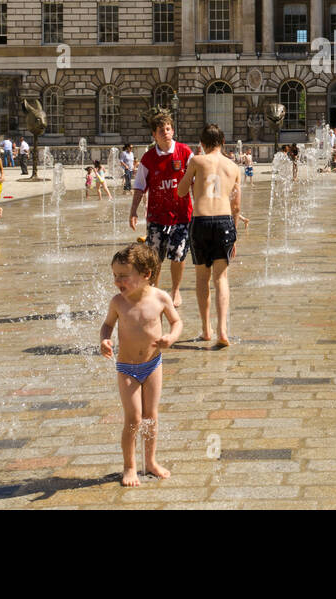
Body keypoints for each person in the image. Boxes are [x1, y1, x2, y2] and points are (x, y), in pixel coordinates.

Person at [100, 243, 182, 485]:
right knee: (133, 418)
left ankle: (151, 461)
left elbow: (176, 322)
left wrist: (171, 337)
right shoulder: (118, 302)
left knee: (150, 416)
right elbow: (107, 325)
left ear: (146, 274)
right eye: (115, 275)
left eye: (124, 276)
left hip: (153, 364)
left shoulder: (160, 298)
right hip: (127, 368)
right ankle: (129, 466)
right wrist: (104, 339)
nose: (117, 281)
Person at [176, 123, 242, 348]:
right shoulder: (233, 167)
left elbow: (181, 191)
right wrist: (235, 235)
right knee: (221, 278)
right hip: (224, 222)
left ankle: (206, 329)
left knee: (202, 278)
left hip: (201, 221)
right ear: (223, 142)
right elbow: (236, 205)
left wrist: (190, 177)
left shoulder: (197, 161)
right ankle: (223, 330)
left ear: (202, 144)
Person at [129, 113, 194, 309]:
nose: (165, 133)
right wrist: (133, 212)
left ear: (172, 130)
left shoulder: (184, 152)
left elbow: (195, 182)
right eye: (161, 130)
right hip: (157, 216)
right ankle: (154, 292)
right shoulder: (148, 159)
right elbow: (140, 186)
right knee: (154, 256)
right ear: (154, 135)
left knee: (178, 253)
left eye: (168, 129)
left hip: (181, 215)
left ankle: (175, 290)